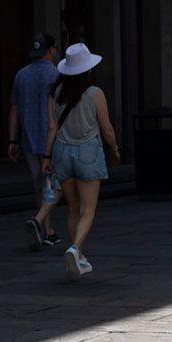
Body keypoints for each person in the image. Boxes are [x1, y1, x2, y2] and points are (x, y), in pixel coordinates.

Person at [42, 42, 118, 280]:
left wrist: (46, 156)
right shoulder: (95, 93)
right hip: (88, 152)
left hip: (62, 151)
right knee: (88, 209)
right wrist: (114, 149)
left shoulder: (54, 93)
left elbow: (52, 127)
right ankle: (75, 249)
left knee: (72, 208)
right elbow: (106, 129)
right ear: (87, 69)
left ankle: (79, 257)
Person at [5, 31, 61, 250]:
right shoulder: (56, 75)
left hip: (28, 138)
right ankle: (45, 227)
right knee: (54, 185)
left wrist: (12, 140)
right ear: (52, 50)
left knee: (39, 185)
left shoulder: (21, 75)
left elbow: (14, 110)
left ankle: (47, 229)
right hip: (51, 139)